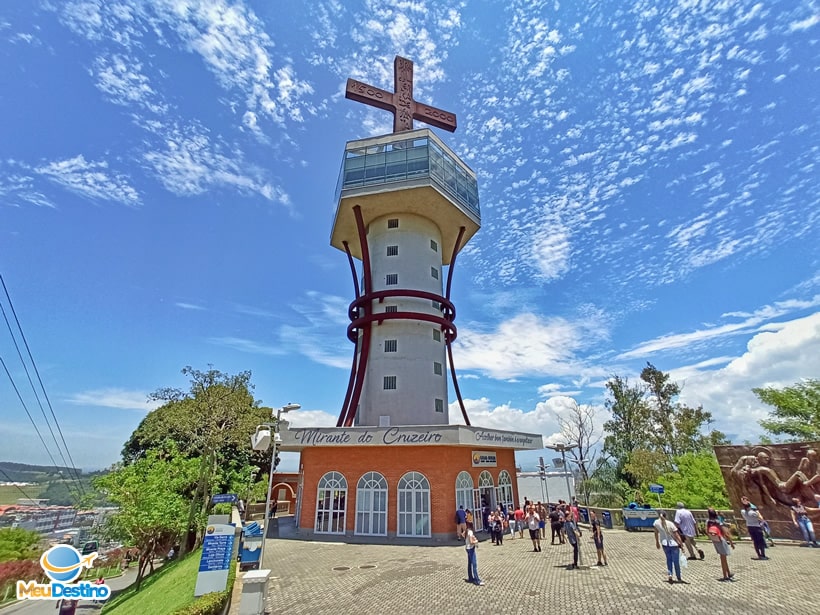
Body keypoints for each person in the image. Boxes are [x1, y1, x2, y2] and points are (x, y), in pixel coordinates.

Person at [653, 511, 685, 584]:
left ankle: (670, 574)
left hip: (664, 543)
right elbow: (677, 535)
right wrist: (682, 545)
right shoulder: (670, 524)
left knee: (669, 560)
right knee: (676, 561)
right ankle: (678, 576)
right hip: (673, 544)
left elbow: (656, 533)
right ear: (666, 516)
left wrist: (657, 542)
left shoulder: (656, 523)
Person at [706, 507, 735, 581]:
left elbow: (707, 531)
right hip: (721, 539)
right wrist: (731, 543)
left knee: (723, 558)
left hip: (715, 540)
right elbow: (726, 533)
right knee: (723, 559)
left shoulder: (708, 522)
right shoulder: (718, 522)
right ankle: (725, 576)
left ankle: (728, 573)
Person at [464, 521, 484, 586]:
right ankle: (477, 580)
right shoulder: (470, 532)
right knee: (474, 564)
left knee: (470, 563)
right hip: (471, 549)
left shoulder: (466, 531)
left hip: (467, 548)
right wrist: (476, 541)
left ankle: (470, 578)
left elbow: (462, 534)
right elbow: (471, 541)